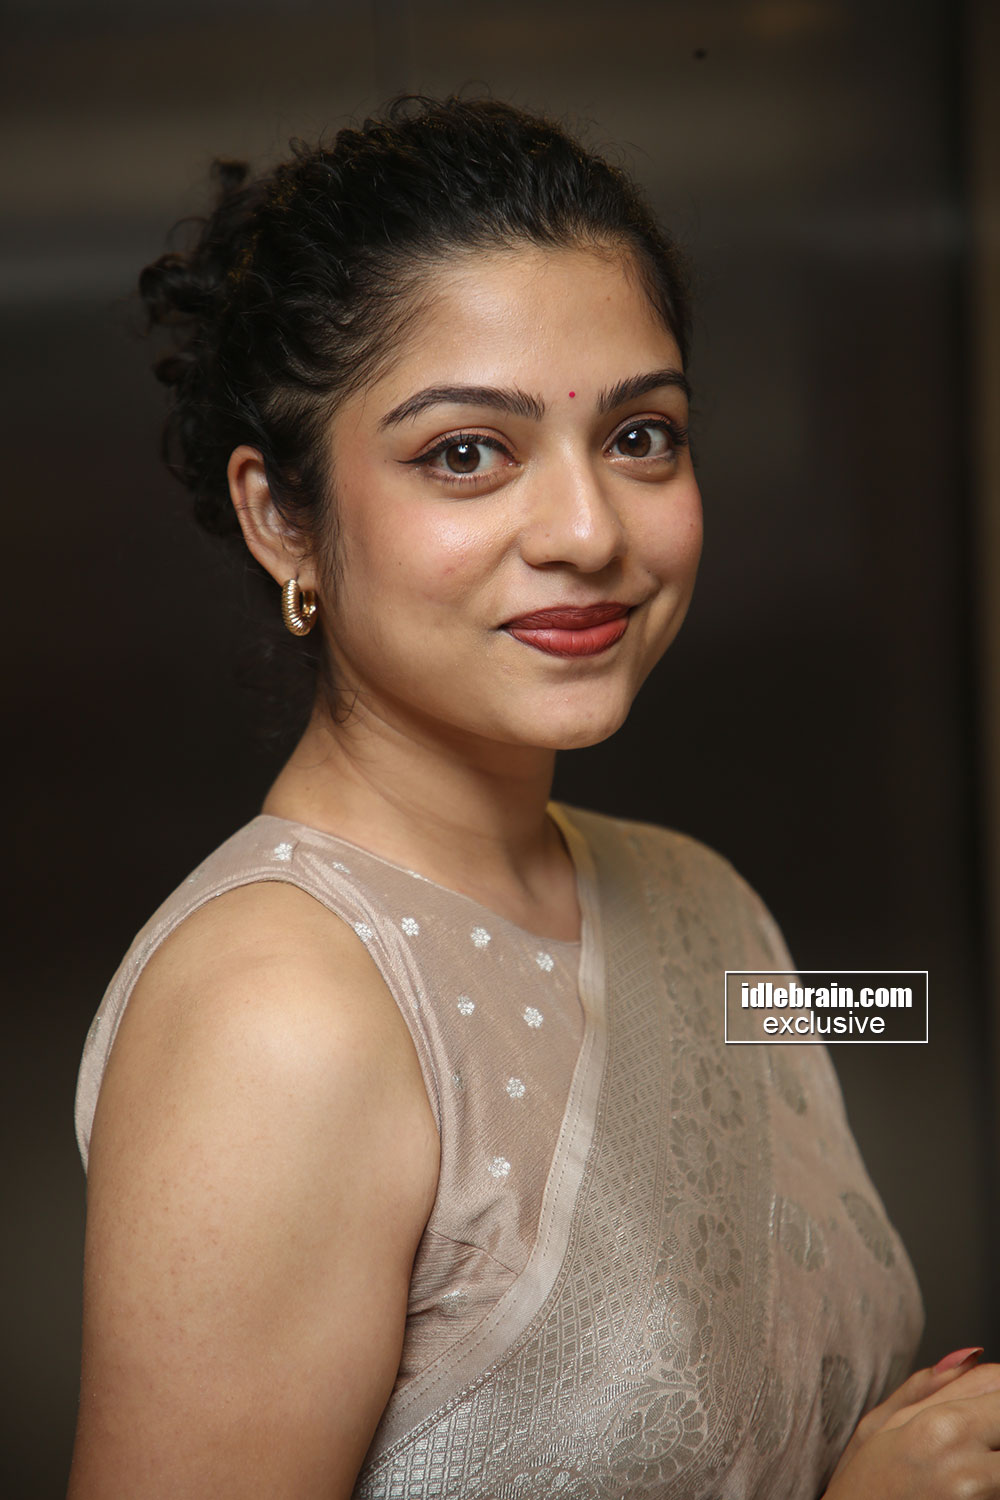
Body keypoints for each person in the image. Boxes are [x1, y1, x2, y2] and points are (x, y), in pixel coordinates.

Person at [68, 96, 997, 1500]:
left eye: (642, 436)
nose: (588, 531)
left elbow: (877, 1021)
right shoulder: (280, 1018)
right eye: (466, 453)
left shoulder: (704, 901)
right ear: (282, 517)